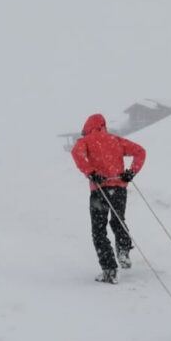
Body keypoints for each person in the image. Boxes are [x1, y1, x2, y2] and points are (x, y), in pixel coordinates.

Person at [71, 113, 146, 283]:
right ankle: (123, 250)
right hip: (119, 188)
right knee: (118, 220)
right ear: (103, 125)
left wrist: (90, 172)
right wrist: (131, 172)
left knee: (99, 230)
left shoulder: (86, 141)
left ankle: (110, 270)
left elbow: (76, 153)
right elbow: (140, 151)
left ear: (87, 127)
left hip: (99, 190)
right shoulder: (115, 140)